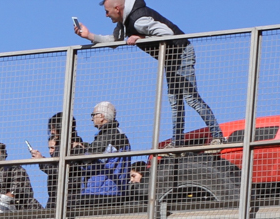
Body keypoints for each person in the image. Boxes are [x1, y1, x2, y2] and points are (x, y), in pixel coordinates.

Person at [74, 0, 218, 145]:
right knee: (175, 102)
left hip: (181, 53)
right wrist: (89, 35)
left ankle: (218, 136)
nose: (106, 15)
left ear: (117, 9)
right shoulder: (125, 22)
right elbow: (114, 41)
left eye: (107, 11)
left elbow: (167, 33)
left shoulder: (138, 20)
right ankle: (177, 142)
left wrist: (141, 38)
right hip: (170, 58)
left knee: (191, 98)